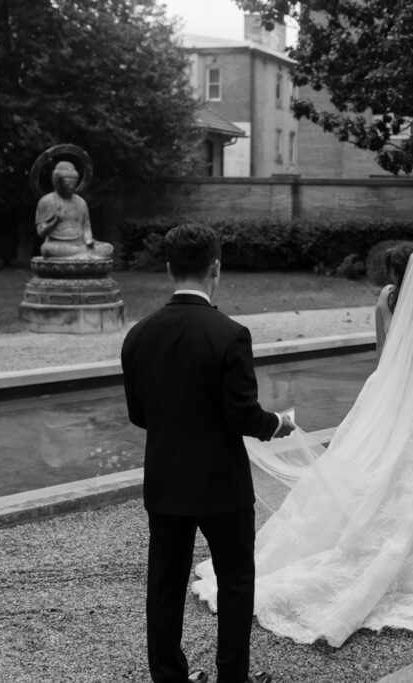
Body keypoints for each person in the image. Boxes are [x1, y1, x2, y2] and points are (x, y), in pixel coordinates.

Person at [192, 243, 413, 647]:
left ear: (392, 274)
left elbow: (381, 356)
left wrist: (382, 396)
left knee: (383, 464)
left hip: (391, 389)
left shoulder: (383, 300)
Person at [121, 224, 294, 683]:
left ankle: (170, 678)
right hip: (222, 484)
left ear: (167, 269)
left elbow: (140, 415)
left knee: (164, 585)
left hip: (166, 481)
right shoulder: (230, 333)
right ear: (216, 267)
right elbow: (243, 417)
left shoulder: (138, 335)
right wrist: (277, 424)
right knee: (236, 582)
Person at [35, 161, 114, 259]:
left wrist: (89, 241)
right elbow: (41, 232)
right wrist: (55, 221)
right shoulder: (46, 201)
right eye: (67, 183)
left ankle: (81, 256)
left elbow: (86, 227)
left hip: (79, 243)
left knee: (108, 248)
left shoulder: (81, 202)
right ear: (56, 182)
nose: (71, 186)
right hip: (57, 244)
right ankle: (84, 257)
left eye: (74, 183)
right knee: (46, 249)